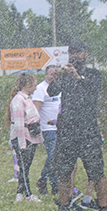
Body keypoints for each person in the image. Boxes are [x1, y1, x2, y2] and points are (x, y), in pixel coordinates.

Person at [47, 39, 107, 211]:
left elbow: (92, 90)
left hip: (88, 129)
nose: (74, 56)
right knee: (64, 171)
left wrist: (77, 77)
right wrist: (58, 76)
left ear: (85, 54)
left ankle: (104, 209)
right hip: (68, 130)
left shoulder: (93, 75)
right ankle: (64, 208)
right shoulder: (65, 75)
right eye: (71, 53)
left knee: (97, 171)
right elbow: (51, 92)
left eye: (78, 52)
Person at [8, 73, 43, 202]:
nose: (35, 88)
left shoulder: (27, 98)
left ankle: (19, 193)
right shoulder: (18, 100)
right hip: (23, 138)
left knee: (26, 167)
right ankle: (28, 194)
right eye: (34, 85)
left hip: (31, 136)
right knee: (23, 166)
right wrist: (22, 144)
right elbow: (19, 124)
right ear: (28, 85)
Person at [32, 65, 61, 195]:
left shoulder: (60, 88)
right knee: (53, 155)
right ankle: (45, 180)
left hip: (61, 127)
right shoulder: (40, 89)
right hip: (48, 128)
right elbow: (35, 109)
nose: (52, 76)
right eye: (50, 74)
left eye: (55, 74)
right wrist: (36, 126)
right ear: (45, 75)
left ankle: (52, 183)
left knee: (58, 158)